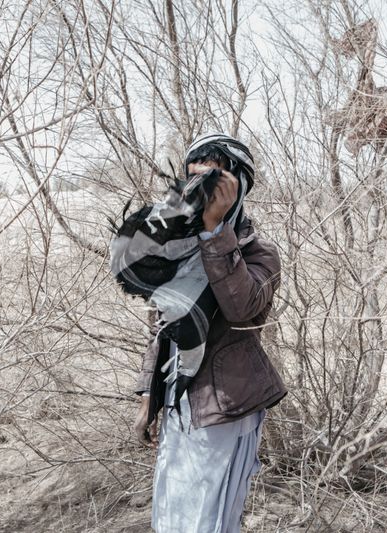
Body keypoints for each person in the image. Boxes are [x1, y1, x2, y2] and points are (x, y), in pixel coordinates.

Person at [131, 133, 287, 533]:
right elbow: (162, 329)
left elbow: (242, 308)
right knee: (171, 518)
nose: (201, 189)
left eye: (213, 178)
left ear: (239, 185)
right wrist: (150, 397)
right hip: (180, 401)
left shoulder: (258, 252)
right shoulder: (178, 248)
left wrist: (215, 231)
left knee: (207, 521)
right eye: (194, 178)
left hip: (224, 407)